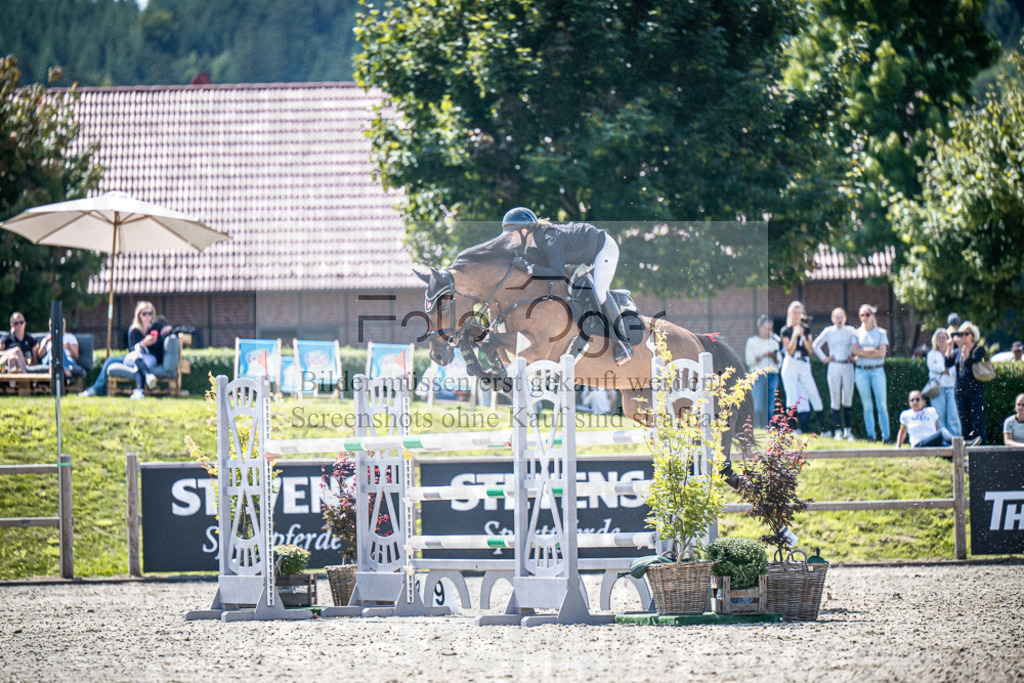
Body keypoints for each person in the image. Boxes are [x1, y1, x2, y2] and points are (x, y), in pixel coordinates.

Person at [502, 207, 633, 365]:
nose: (508, 238)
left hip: (603, 249)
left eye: (511, 233)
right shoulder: (532, 245)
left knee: (600, 292)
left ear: (524, 230)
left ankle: (624, 342)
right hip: (582, 257)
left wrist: (529, 268)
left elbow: (557, 272)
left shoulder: (548, 237)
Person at [80, 301, 160, 398]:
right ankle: (96, 388)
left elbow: (164, 331)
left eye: (150, 313)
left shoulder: (156, 328)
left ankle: (139, 390)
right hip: (133, 357)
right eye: (144, 313)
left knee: (137, 360)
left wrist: (167, 329)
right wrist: (143, 344)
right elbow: (132, 350)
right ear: (139, 315)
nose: (147, 316)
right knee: (110, 360)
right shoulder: (134, 330)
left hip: (148, 358)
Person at [779, 301, 826, 435]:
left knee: (813, 393)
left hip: (804, 364)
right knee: (791, 396)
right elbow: (790, 350)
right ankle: (793, 429)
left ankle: (824, 430)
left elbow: (810, 350)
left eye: (799, 313)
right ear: (789, 313)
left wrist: (802, 336)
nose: (797, 316)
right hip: (791, 363)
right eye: (794, 313)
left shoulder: (806, 329)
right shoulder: (785, 330)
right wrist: (794, 336)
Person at [813, 307, 858, 441]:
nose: (839, 319)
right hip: (834, 365)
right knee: (835, 398)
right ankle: (838, 431)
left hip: (847, 365)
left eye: (841, 317)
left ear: (845, 318)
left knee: (848, 398)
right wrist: (824, 358)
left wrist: (855, 357)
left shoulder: (851, 331)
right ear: (833, 319)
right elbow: (816, 345)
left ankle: (848, 431)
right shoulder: (829, 331)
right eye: (836, 317)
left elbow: (859, 345)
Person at [852, 304, 891, 443]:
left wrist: (864, 352)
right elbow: (855, 351)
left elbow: (882, 353)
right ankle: (871, 436)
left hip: (877, 370)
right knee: (867, 406)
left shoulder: (881, 333)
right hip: (861, 372)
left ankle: (886, 437)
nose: (864, 318)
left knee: (881, 405)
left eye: (867, 314)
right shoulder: (856, 333)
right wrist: (871, 350)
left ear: (872, 315)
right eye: (862, 315)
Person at [945, 321, 988, 444]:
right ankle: (968, 446)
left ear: (972, 335)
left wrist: (963, 350)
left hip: (975, 390)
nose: (963, 336)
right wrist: (949, 348)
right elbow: (948, 363)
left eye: (966, 334)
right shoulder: (957, 351)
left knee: (977, 420)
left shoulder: (978, 349)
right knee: (964, 421)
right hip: (960, 390)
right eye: (961, 334)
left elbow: (971, 362)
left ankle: (982, 448)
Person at [745, 314, 781, 429]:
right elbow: (749, 361)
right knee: (757, 404)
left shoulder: (774, 342)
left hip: (773, 375)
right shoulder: (752, 342)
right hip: (758, 374)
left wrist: (774, 357)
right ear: (759, 327)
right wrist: (763, 355)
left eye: (770, 328)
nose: (768, 331)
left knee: (770, 404)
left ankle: (769, 427)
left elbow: (779, 363)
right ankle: (755, 427)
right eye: (766, 328)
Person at [926, 328, 962, 437]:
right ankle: (942, 440)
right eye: (939, 338)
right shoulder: (931, 354)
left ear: (948, 339)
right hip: (937, 388)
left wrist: (945, 370)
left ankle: (956, 440)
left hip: (951, 387)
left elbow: (955, 370)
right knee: (939, 416)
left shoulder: (953, 353)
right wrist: (946, 368)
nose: (941, 340)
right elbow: (934, 367)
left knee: (953, 416)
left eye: (943, 337)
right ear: (935, 340)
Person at [895, 390, 960, 449]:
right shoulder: (906, 414)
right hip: (918, 445)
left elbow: (936, 429)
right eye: (912, 400)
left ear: (923, 401)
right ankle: (959, 442)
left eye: (917, 399)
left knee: (951, 450)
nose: (915, 402)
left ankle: (964, 458)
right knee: (942, 431)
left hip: (932, 443)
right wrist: (898, 446)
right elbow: (902, 432)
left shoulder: (931, 411)